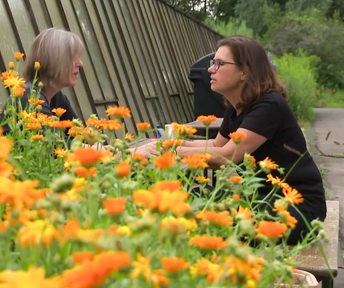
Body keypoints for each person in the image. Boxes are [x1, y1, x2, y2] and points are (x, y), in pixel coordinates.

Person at [138, 35, 326, 244]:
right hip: (262, 197)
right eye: (213, 63)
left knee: (207, 224)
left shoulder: (269, 106)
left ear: (245, 72)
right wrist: (167, 144)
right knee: (202, 212)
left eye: (219, 64)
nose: (211, 69)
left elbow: (227, 155)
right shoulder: (238, 106)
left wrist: (167, 153)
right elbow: (217, 145)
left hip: (295, 208)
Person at [0, 27, 83, 135]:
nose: (80, 63)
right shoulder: (29, 97)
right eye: (73, 57)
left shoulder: (57, 98)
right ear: (54, 60)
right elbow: (54, 145)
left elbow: (81, 135)